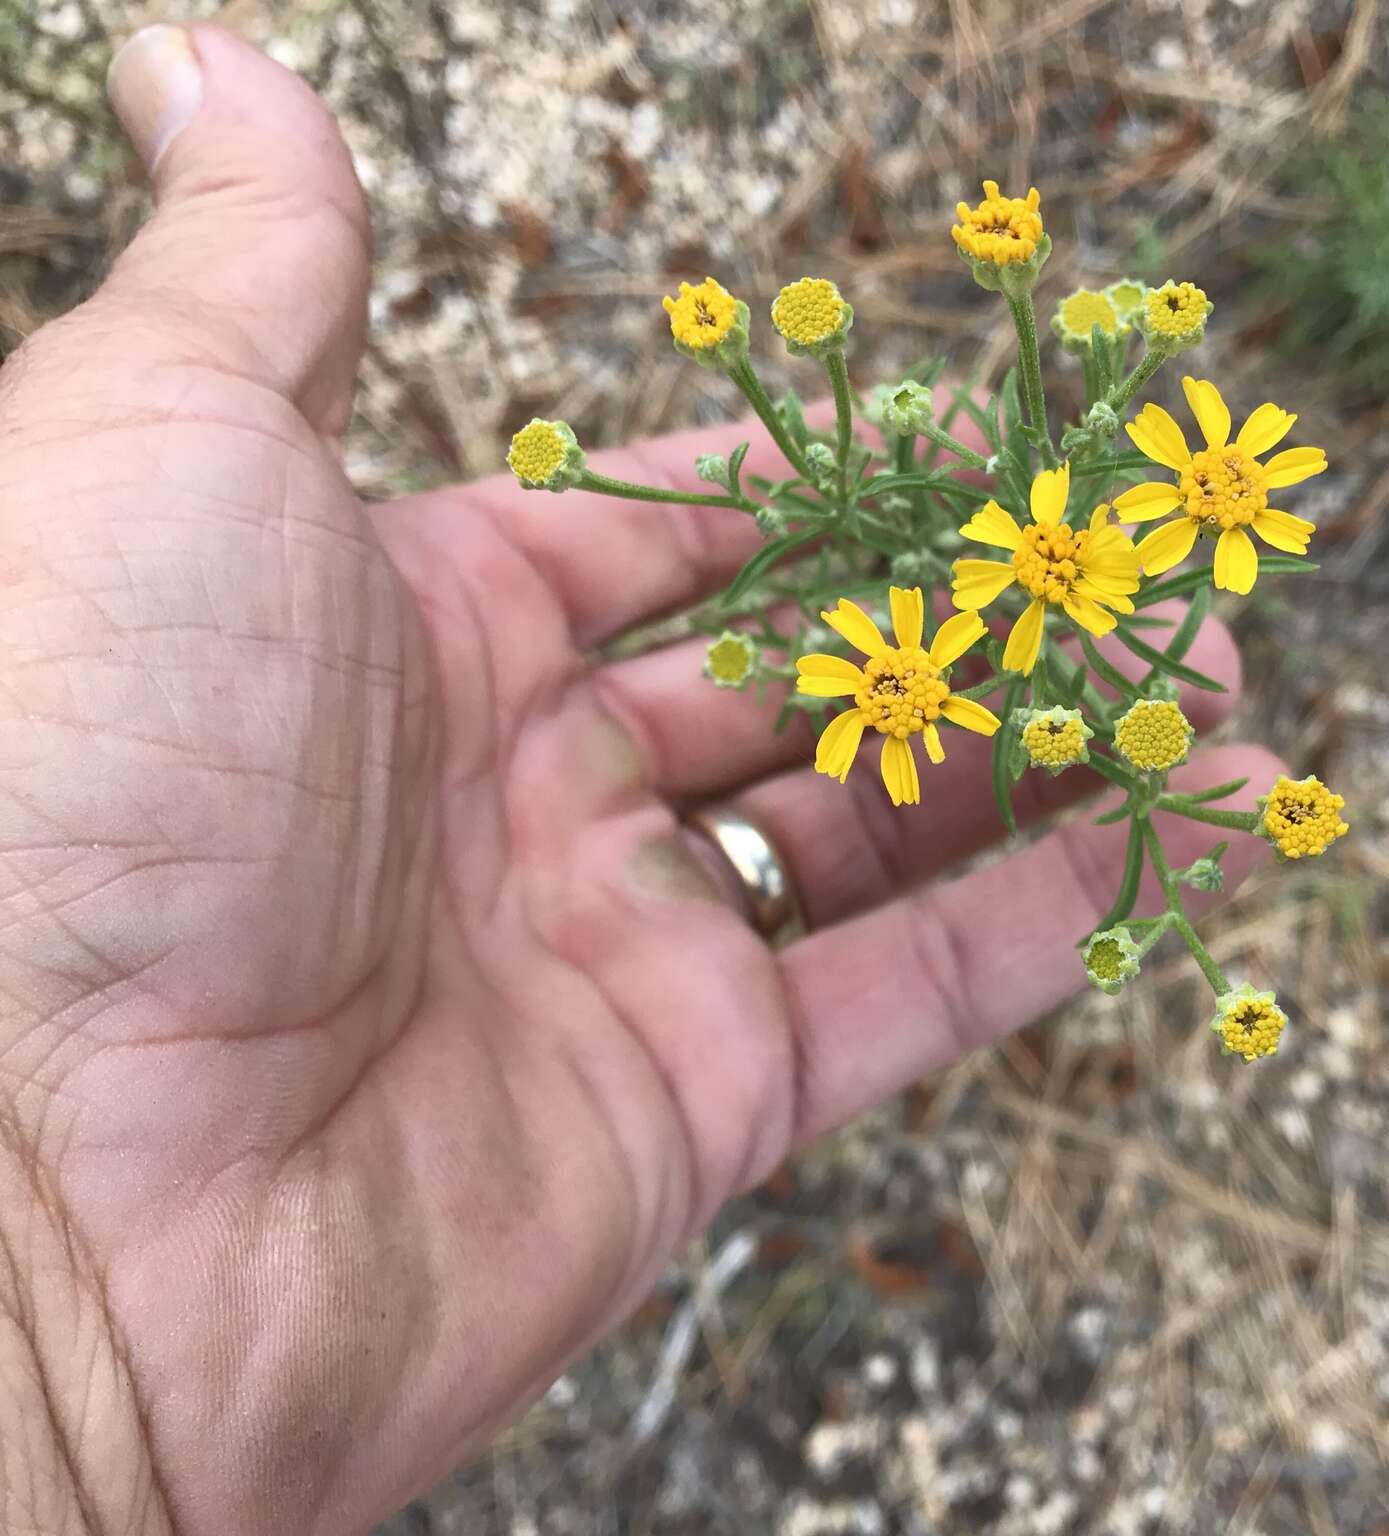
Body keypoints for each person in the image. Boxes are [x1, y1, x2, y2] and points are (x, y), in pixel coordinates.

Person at [0, 22, 1280, 1534]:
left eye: (1232, 483)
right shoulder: (950, 619)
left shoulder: (1082, 565)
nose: (1228, 483)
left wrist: (82, 1390)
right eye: (1223, 473)